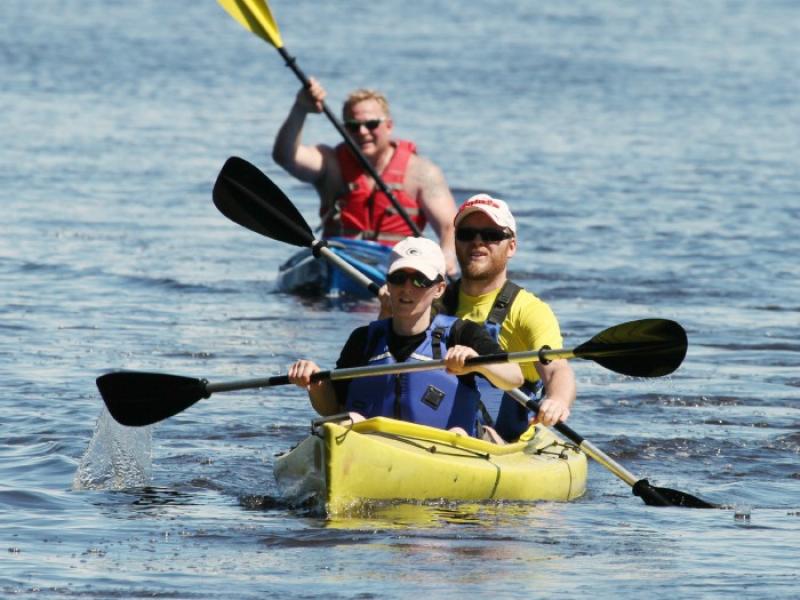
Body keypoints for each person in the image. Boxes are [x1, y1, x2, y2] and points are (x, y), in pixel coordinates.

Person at [286, 237, 523, 438]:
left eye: (420, 280)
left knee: (460, 435)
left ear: (439, 288)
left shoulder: (463, 333)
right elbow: (330, 408)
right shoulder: (364, 339)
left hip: (450, 447)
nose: (407, 289)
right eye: (399, 278)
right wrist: (315, 384)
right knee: (349, 421)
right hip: (377, 450)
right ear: (388, 283)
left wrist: (477, 361)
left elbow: (514, 377)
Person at [272, 78, 458, 275]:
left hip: (393, 268)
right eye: (353, 126)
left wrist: (447, 258)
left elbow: (449, 226)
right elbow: (285, 157)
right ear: (344, 129)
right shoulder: (330, 163)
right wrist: (300, 108)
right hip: (338, 260)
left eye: (371, 124)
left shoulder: (422, 172)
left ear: (389, 126)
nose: (362, 132)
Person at [439, 194, 577, 441]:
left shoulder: (529, 310)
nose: (477, 242)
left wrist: (556, 400)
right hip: (436, 434)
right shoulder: (432, 302)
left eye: (491, 235)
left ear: (511, 246)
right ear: (456, 241)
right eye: (467, 234)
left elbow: (557, 370)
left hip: (503, 443)